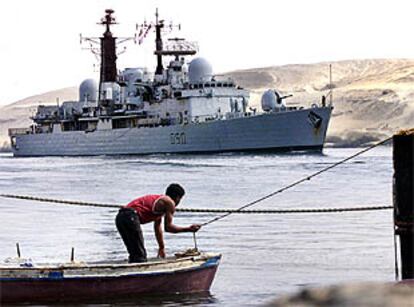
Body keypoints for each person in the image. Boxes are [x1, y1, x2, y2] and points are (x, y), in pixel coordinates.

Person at [115, 183, 201, 263]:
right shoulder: (169, 202)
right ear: (178, 198)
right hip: (130, 216)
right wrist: (189, 229)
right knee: (139, 255)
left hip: (121, 217)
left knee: (135, 252)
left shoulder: (160, 202)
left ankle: (131, 272)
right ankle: (139, 276)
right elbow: (168, 227)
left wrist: (161, 247)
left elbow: (157, 228)